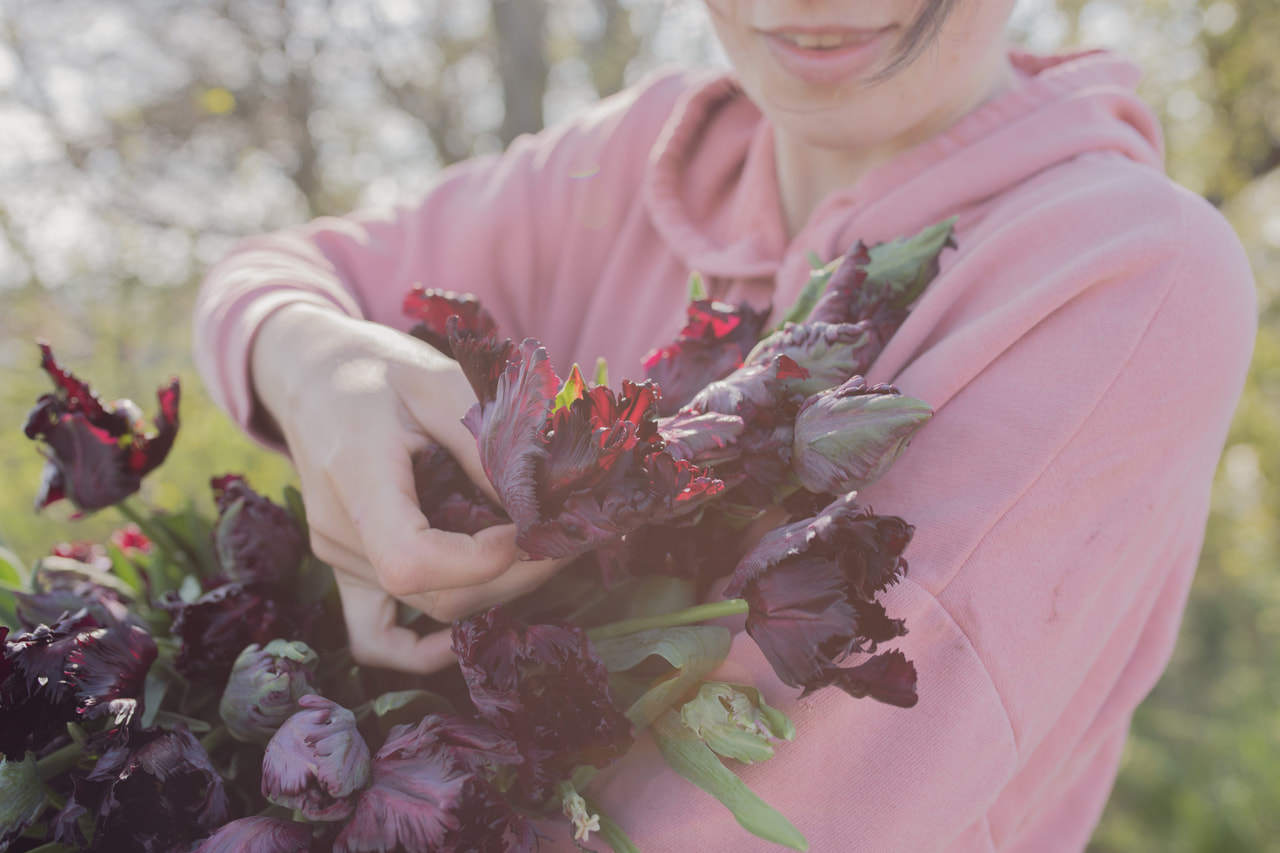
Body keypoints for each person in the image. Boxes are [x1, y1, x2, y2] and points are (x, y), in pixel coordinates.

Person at [193, 1, 1257, 849]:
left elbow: (781, 796)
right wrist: (310, 355)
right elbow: (283, 274)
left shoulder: (1121, 275)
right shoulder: (644, 154)